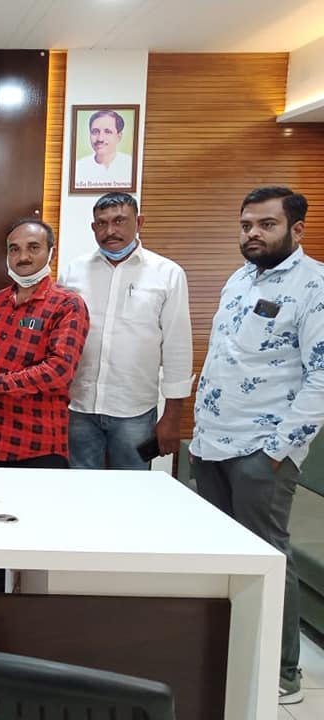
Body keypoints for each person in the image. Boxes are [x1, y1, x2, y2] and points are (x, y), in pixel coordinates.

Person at [190, 186, 324, 706]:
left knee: (267, 556)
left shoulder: (314, 285)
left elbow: (320, 377)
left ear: (296, 229)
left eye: (267, 224)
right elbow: (227, 358)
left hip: (261, 451)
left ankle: (282, 671)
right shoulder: (240, 279)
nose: (253, 234)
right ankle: (232, 651)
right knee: (222, 555)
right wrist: (199, 435)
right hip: (212, 443)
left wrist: (278, 449)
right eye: (247, 224)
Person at [0, 219, 89, 593]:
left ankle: (33, 610)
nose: (23, 257)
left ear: (50, 252)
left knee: (38, 539)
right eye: (14, 249)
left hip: (38, 445)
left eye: (33, 248)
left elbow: (58, 371)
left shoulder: (68, 304)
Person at [60, 192, 193, 470]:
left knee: (133, 488)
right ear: (93, 227)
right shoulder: (73, 272)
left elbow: (177, 347)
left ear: (139, 222)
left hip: (135, 411)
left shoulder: (167, 274)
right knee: (79, 488)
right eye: (102, 223)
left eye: (119, 221)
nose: (110, 231)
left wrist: (172, 416)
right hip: (79, 408)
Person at [74, 110, 133, 190]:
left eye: (108, 132)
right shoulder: (79, 167)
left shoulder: (130, 164)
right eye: (95, 132)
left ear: (119, 137)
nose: (100, 139)